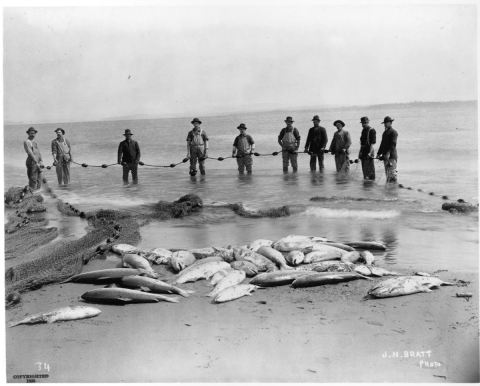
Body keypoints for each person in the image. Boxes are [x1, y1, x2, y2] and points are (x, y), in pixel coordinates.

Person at [377, 116, 398, 182]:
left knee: (392, 175)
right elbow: (382, 144)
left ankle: (393, 190)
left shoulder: (394, 132)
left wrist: (388, 153)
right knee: (388, 176)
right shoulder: (384, 133)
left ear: (391, 123)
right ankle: (389, 191)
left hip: (391, 157)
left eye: (387, 122)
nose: (385, 124)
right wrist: (378, 153)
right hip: (385, 157)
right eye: (384, 123)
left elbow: (393, 144)